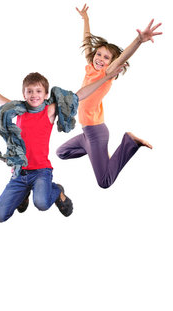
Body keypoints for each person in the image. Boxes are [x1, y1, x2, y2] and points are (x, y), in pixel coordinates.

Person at [0, 52, 124, 223]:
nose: (34, 95)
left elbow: (80, 94)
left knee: (42, 203)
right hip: (19, 173)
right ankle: (23, 193)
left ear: (45, 94)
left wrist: (106, 77)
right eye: (29, 91)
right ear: (24, 94)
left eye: (38, 91)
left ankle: (56, 191)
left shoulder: (49, 111)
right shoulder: (18, 110)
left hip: (41, 171)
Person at [56, 5, 161, 188]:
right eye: (99, 54)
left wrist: (139, 40)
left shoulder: (107, 74)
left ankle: (130, 142)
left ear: (110, 63)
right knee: (61, 153)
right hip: (86, 134)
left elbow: (122, 58)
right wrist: (86, 18)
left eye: (106, 57)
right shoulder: (91, 67)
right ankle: (92, 151)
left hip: (97, 133)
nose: (100, 59)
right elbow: (88, 42)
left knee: (104, 181)